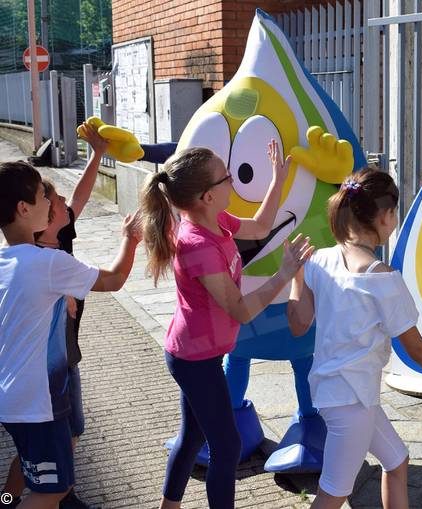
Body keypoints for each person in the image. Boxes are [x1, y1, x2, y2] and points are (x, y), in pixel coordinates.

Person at [139, 142, 313, 509]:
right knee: (226, 445)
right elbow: (241, 310)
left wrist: (278, 179)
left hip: (201, 353)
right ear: (206, 196)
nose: (232, 183)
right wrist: (284, 274)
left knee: (192, 438)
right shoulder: (196, 244)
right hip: (194, 359)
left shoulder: (216, 221)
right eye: (227, 178)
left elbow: (263, 225)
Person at [287, 168, 422, 509]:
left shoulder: (319, 260)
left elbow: (298, 325)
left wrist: (296, 275)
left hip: (342, 394)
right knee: (333, 495)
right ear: (384, 216)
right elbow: (413, 345)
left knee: (397, 461)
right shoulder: (383, 279)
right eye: (395, 213)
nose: (395, 220)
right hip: (351, 402)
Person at [0, 160, 141, 509]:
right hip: (39, 403)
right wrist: (130, 240)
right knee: (54, 490)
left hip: (11, 398)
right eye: (42, 197)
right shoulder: (48, 263)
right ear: (24, 209)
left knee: (27, 463)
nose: (50, 202)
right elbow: (114, 279)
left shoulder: (6, 263)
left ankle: (4, 500)